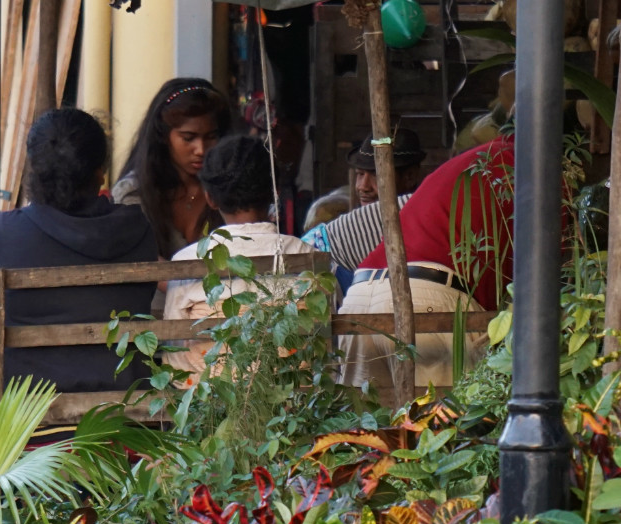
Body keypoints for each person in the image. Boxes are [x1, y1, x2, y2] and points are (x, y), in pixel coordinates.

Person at [0, 108, 158, 392]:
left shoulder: (4, 234)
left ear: (34, 169)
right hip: (124, 406)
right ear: (100, 173)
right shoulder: (138, 229)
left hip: (25, 410)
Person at [339, 137, 515, 391]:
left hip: (359, 295)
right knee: (440, 423)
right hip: (423, 297)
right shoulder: (536, 169)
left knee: (359, 424)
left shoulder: (470, 163)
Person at [163, 136, 324, 372]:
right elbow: (324, 343)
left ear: (210, 198)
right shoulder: (306, 254)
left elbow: (175, 352)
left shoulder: (187, 261)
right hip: (295, 399)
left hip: (210, 399)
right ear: (274, 192)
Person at [111, 77, 231, 257]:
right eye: (188, 138)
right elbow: (140, 257)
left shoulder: (231, 188)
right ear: (163, 136)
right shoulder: (134, 193)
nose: (201, 149)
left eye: (211, 137)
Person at [302, 128, 427, 289]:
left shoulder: (425, 224)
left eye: (376, 175)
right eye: (360, 174)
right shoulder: (341, 231)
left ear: (410, 176)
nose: (363, 187)